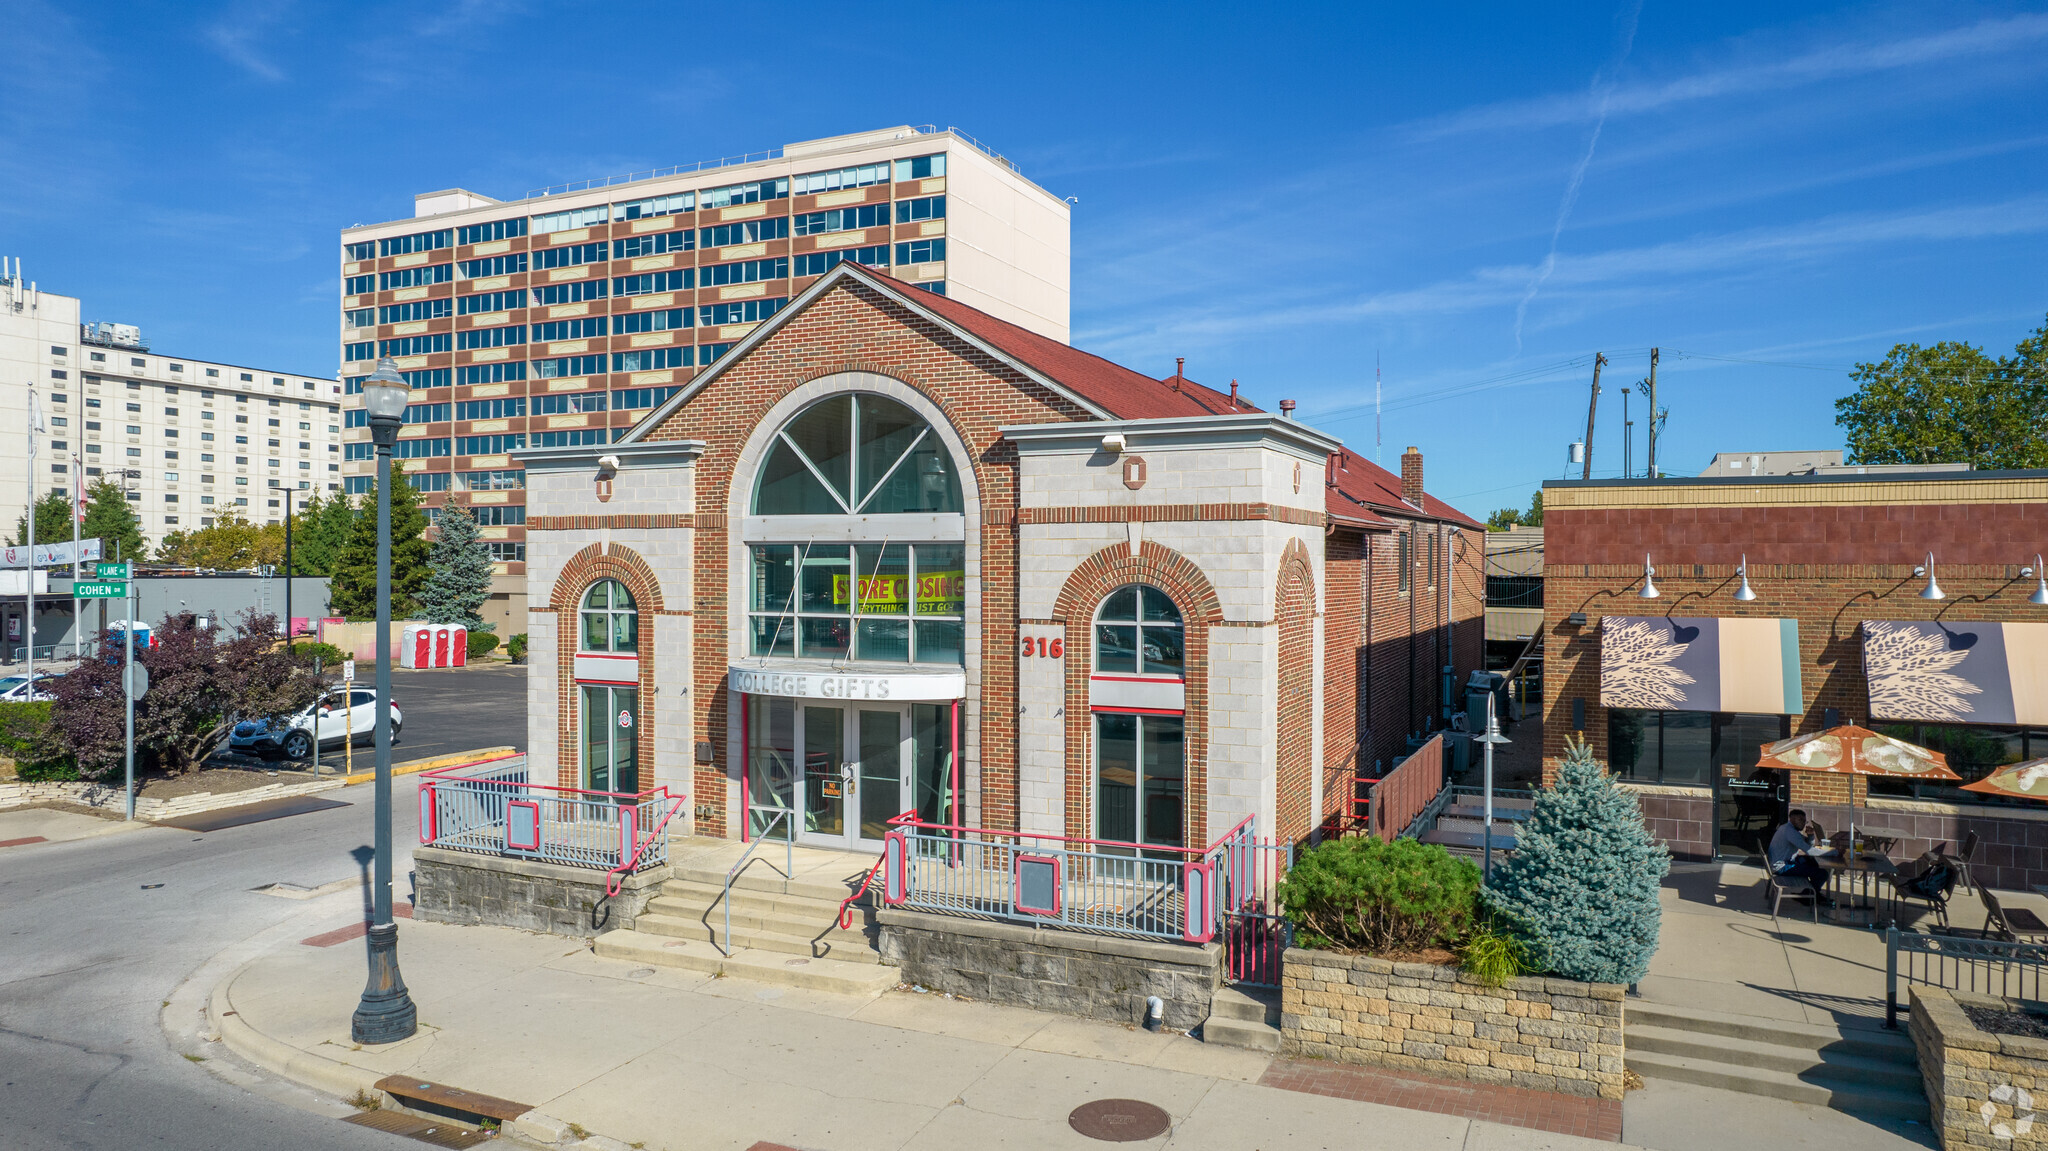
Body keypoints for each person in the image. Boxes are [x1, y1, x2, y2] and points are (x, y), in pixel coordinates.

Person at [1768, 809, 1834, 905]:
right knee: (1822, 873)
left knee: (1813, 863)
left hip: (1787, 861)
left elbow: (1807, 845)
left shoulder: (1789, 829)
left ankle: (1810, 893)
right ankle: (1808, 896)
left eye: (1804, 821)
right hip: (1782, 867)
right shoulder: (1790, 832)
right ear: (1792, 819)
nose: (1803, 823)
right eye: (1800, 820)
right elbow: (1809, 850)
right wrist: (1833, 852)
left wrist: (1810, 836)